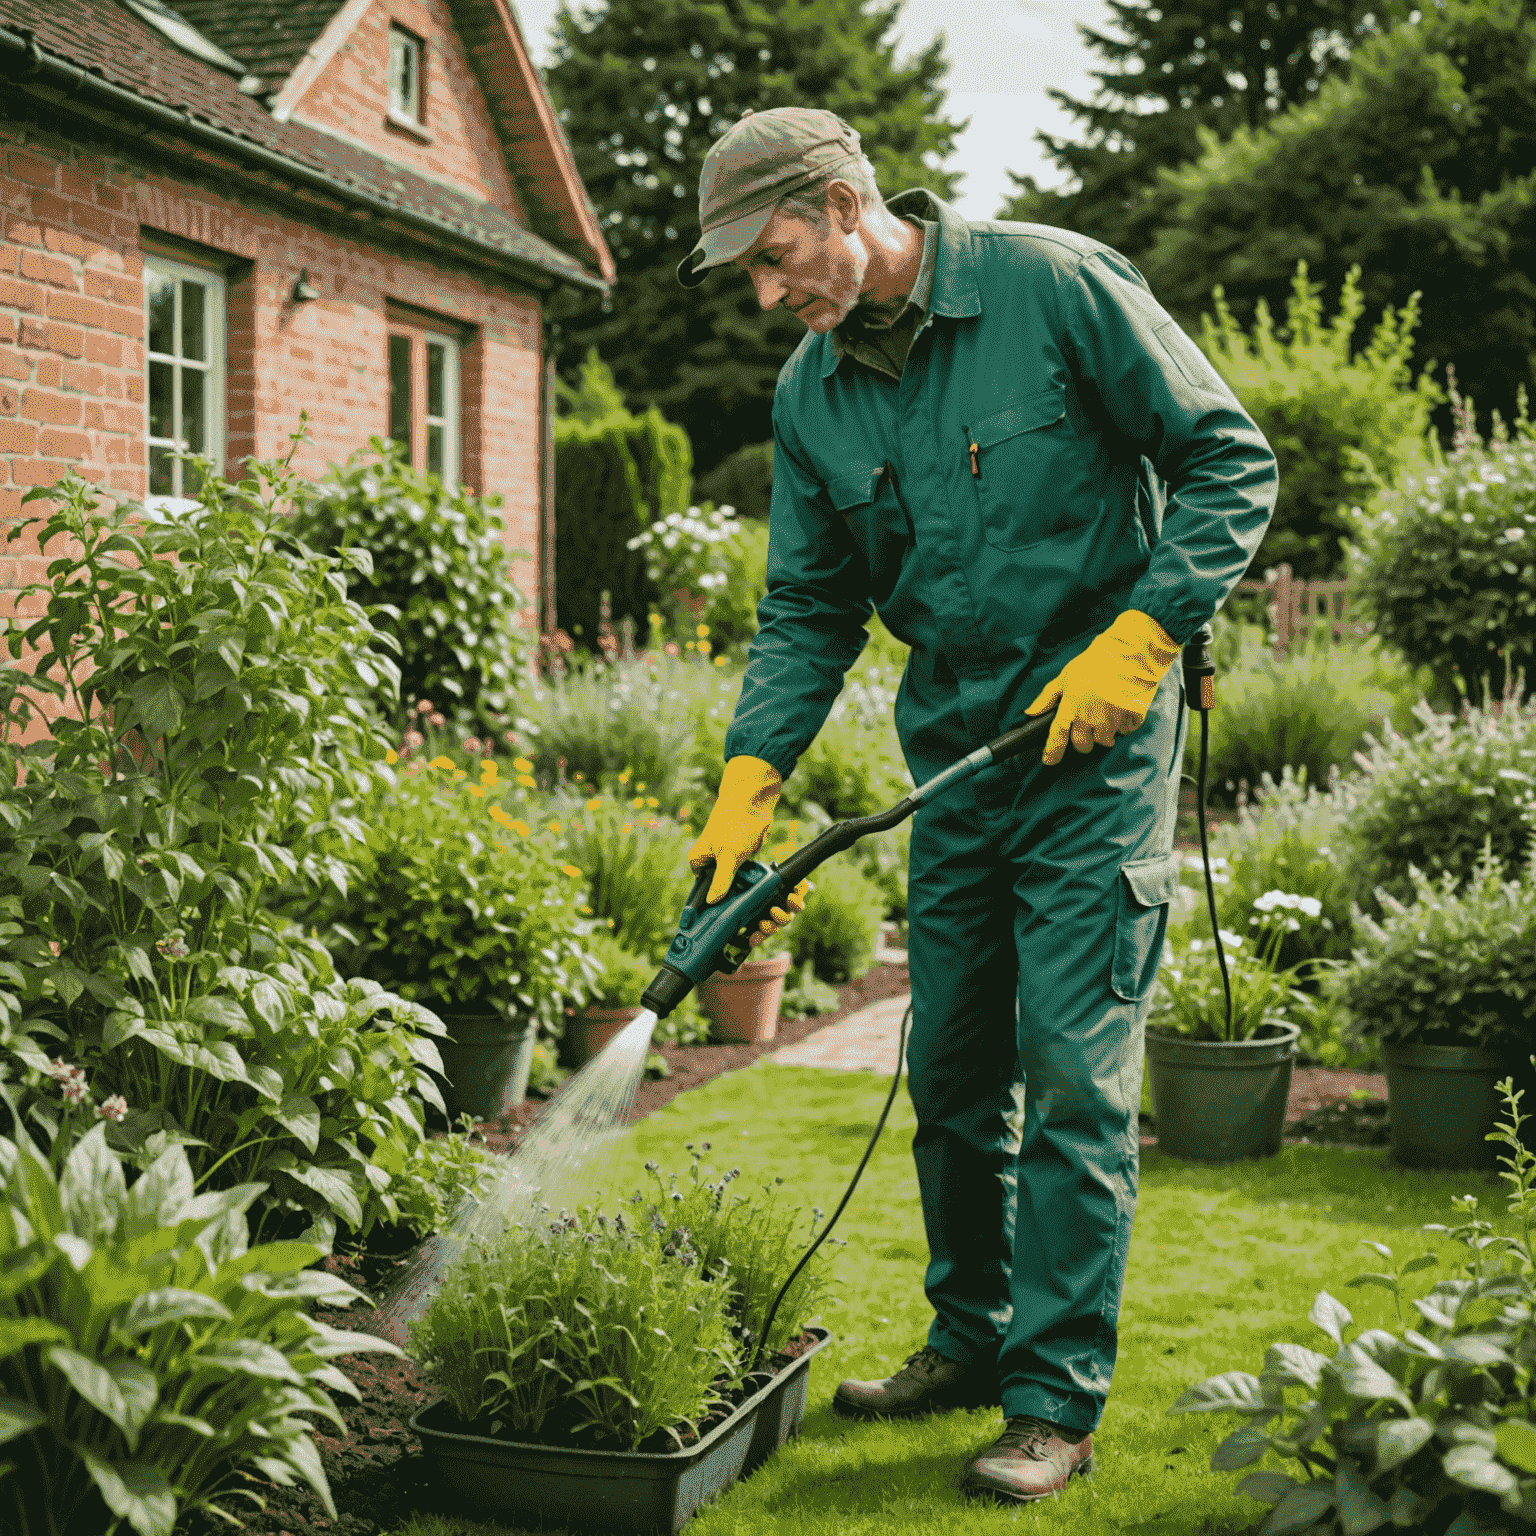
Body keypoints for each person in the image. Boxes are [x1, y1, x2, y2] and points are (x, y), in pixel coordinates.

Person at [676, 106, 1277, 1504]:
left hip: (1100, 755)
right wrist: (750, 779)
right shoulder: (812, 393)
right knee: (949, 1067)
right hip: (954, 756)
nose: (771, 295)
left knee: (1072, 1072)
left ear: (842, 201)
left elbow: (1228, 461)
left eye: (775, 257)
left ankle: (1053, 1400)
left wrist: (1141, 642)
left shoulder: (1052, 285)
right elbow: (809, 605)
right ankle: (969, 1334)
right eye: (756, 277)